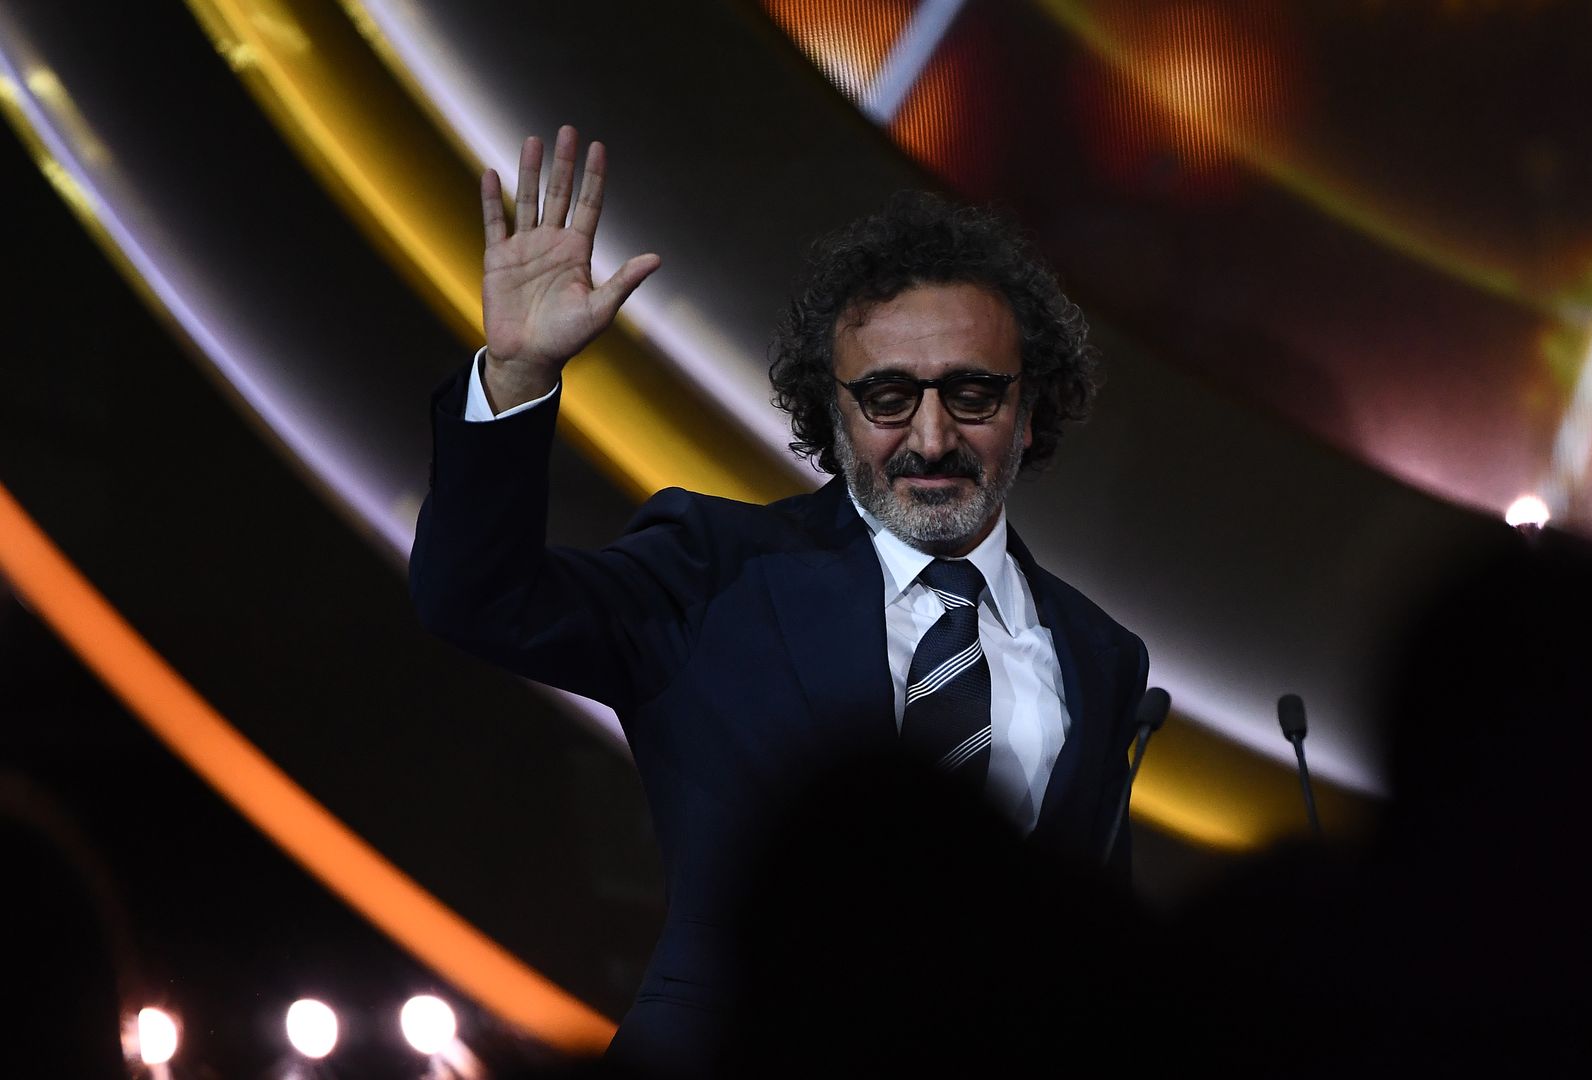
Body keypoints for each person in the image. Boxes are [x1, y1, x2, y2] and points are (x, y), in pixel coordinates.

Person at [408, 126, 1150, 1072]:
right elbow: (478, 600)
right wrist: (516, 376)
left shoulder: (1102, 655)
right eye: (886, 398)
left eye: (971, 394)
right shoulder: (715, 570)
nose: (930, 437)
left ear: (1030, 406)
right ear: (829, 408)